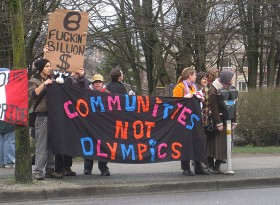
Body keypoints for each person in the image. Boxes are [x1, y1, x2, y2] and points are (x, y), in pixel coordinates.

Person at [28, 59, 63, 180]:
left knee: (51, 145)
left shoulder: (53, 79)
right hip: (41, 116)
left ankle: (49, 170)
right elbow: (33, 94)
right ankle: (38, 171)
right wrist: (45, 84)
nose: (50, 68)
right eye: (47, 66)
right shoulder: (34, 81)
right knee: (41, 145)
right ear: (41, 68)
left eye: (50, 66)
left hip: (53, 116)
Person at [173, 67, 209, 176]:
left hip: (195, 119)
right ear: (189, 75)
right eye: (194, 75)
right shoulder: (179, 87)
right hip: (184, 120)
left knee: (197, 141)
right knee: (186, 143)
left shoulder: (193, 87)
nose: (195, 76)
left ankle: (198, 166)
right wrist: (186, 97)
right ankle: (186, 168)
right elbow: (176, 103)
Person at [55, 67, 90, 177]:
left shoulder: (74, 80)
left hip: (72, 116)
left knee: (69, 141)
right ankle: (59, 167)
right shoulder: (56, 76)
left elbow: (83, 91)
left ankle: (67, 167)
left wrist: (81, 77)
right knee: (60, 142)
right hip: (59, 114)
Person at [208, 70, 237, 174]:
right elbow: (214, 107)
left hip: (228, 121)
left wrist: (234, 121)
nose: (233, 79)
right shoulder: (214, 89)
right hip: (218, 121)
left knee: (226, 145)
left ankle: (218, 165)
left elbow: (233, 105)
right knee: (214, 145)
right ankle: (211, 165)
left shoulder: (231, 88)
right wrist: (218, 122)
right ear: (227, 79)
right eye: (232, 78)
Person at [83, 74, 111, 176]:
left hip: (103, 126)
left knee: (103, 146)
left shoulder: (108, 94)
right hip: (90, 124)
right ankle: (87, 168)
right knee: (89, 145)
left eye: (99, 82)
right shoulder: (87, 93)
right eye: (96, 82)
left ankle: (103, 168)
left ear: (102, 83)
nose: (98, 83)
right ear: (92, 84)